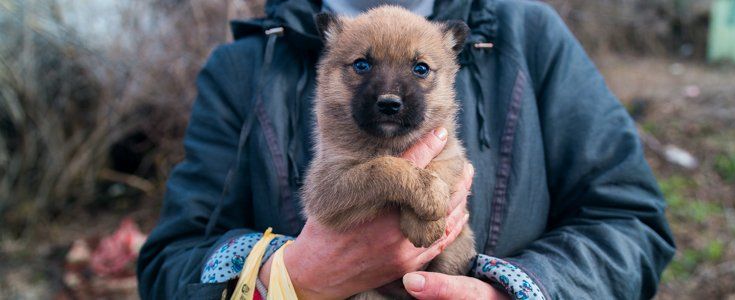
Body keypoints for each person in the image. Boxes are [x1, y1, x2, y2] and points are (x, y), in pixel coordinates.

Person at [137, 0, 676, 299]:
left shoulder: (529, 36)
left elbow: (631, 222)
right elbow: (169, 266)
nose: (391, 95)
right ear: (333, 60)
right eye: (362, 67)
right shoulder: (240, 70)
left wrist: (514, 292)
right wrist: (288, 279)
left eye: (420, 71)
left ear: (449, 65)